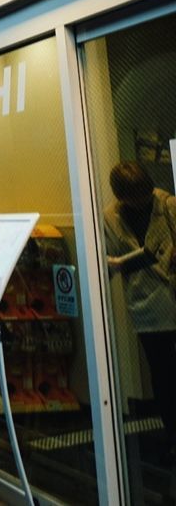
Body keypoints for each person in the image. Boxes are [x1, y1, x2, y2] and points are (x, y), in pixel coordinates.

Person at [103, 161, 176, 457]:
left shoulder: (168, 204)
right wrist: (116, 264)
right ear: (121, 196)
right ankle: (173, 433)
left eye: (144, 196)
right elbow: (109, 257)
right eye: (133, 198)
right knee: (163, 374)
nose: (141, 203)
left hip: (171, 291)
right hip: (146, 303)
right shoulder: (111, 217)